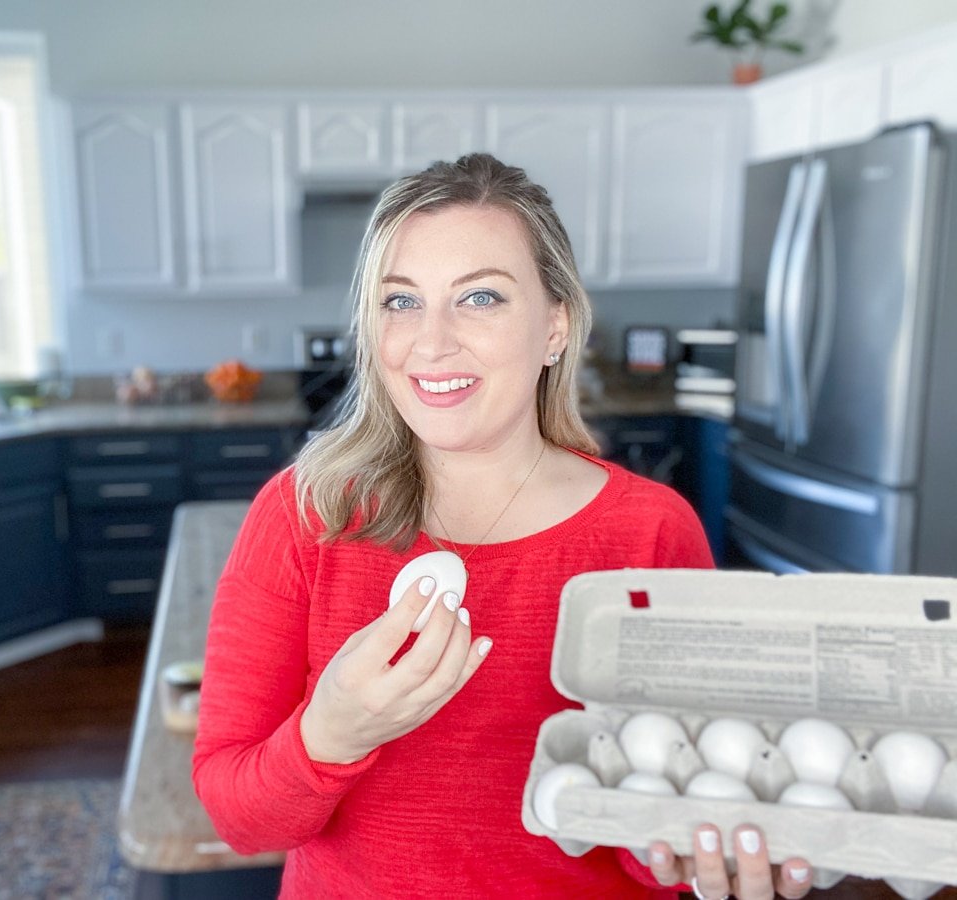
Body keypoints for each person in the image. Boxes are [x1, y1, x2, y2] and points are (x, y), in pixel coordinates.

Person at [192, 153, 814, 900]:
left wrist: (690, 851)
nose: (431, 342)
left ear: (555, 327)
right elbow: (240, 819)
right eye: (401, 302)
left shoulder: (648, 536)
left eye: (480, 298)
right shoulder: (305, 515)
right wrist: (332, 732)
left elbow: (651, 837)